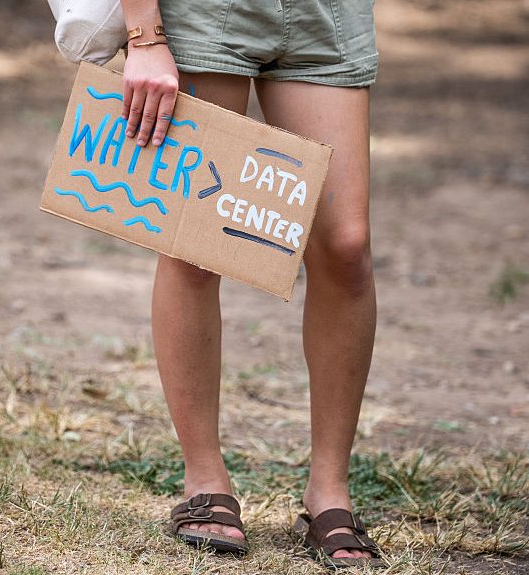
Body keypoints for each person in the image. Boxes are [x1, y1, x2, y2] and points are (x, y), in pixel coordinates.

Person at [117, 0, 384, 568]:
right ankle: (204, 477)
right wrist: (144, 34)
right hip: (203, 13)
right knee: (195, 245)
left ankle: (328, 492)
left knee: (346, 249)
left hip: (325, 13)